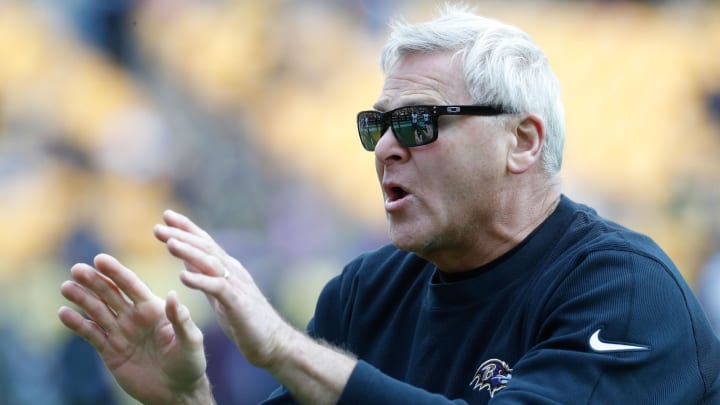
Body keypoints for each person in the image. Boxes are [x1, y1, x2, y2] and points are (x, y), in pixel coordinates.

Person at [58, 4, 720, 404]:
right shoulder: (365, 292)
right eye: (378, 127)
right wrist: (185, 395)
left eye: (420, 123)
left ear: (522, 140)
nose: (385, 150)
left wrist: (287, 348)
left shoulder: (627, 290)